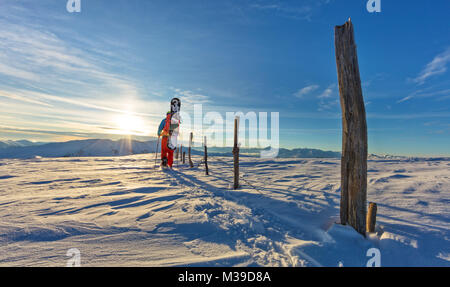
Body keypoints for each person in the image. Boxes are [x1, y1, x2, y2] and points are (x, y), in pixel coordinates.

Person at [157, 98, 181, 169]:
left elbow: (160, 128)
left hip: (165, 137)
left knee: (164, 151)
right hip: (172, 139)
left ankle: (164, 163)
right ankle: (170, 165)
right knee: (171, 152)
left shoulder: (164, 120)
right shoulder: (176, 120)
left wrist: (159, 134)